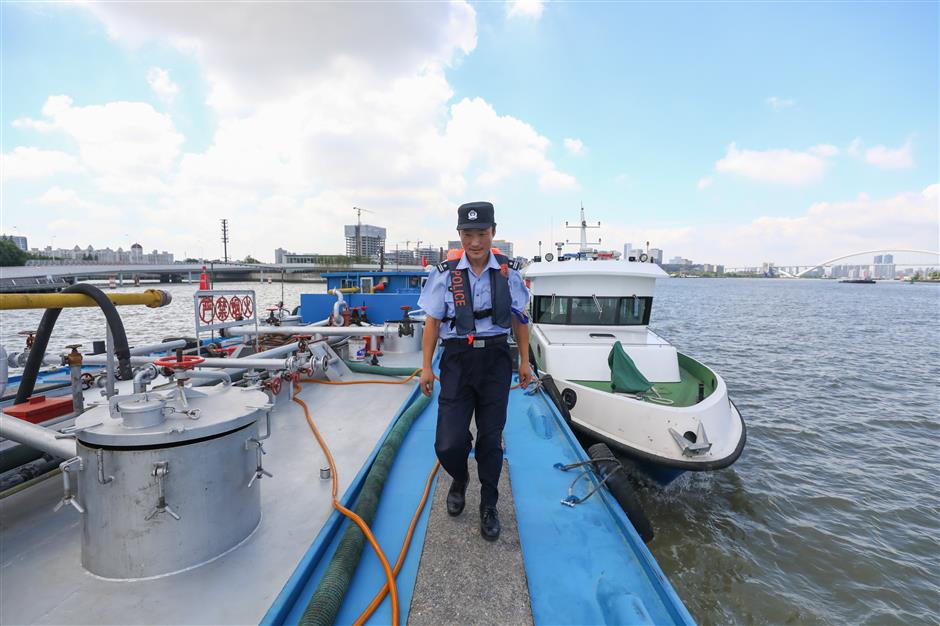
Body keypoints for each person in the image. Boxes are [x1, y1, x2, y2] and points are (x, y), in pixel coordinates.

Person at [418, 201, 533, 541]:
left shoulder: (509, 274)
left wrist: (524, 360)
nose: (476, 242)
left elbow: (520, 319)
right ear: (459, 235)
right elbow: (432, 322)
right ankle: (459, 477)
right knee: (448, 443)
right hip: (456, 360)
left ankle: (488, 503)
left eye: (482, 233)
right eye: (468, 234)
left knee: (490, 440)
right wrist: (426, 367)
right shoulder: (443, 274)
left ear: (493, 232)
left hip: (496, 360)